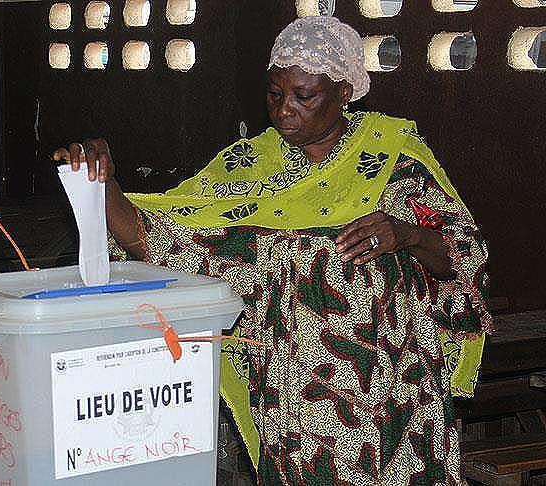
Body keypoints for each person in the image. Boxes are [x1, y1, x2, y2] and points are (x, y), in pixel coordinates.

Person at [53, 16, 490, 485]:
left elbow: (463, 256)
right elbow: (159, 240)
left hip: (394, 388)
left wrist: (407, 234)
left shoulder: (390, 159)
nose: (285, 111)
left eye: (305, 96)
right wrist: (104, 184)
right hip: (294, 397)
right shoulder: (249, 166)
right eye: (275, 94)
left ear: (345, 92)